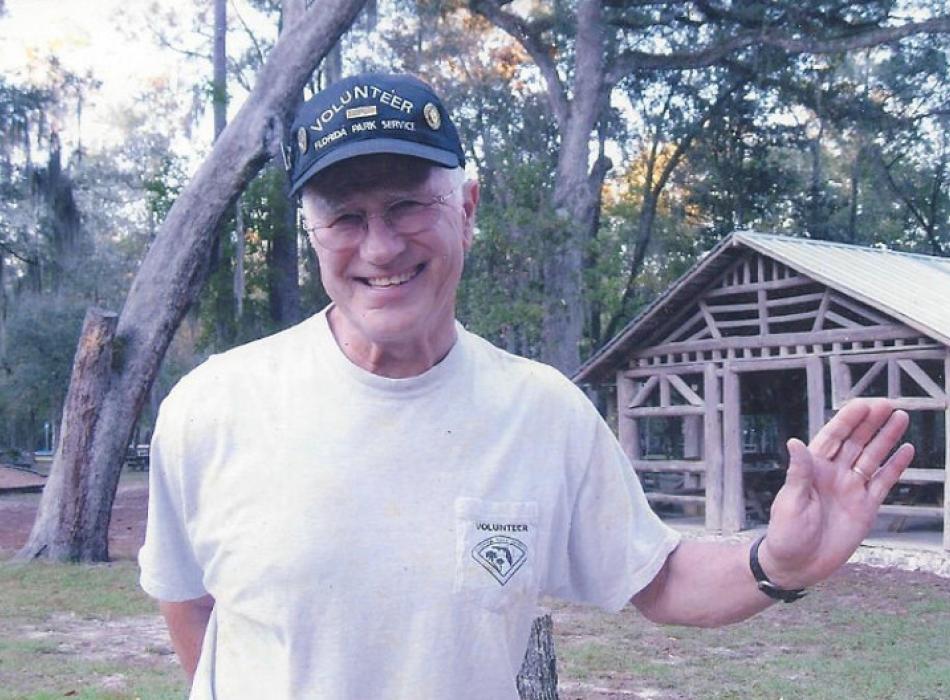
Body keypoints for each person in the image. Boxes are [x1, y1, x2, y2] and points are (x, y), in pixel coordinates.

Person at [138, 73, 915, 699]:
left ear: (467, 209)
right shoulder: (213, 407)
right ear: (313, 235)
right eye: (346, 216)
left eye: (409, 205)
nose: (379, 245)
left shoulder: (542, 412)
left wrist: (779, 563)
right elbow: (189, 604)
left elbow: (660, 577)